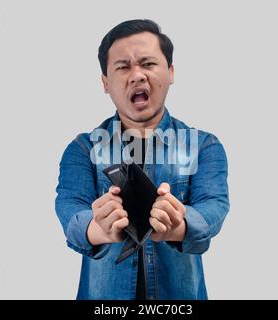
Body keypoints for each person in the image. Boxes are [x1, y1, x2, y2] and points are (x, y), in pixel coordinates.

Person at [55, 19, 230, 300]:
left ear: (170, 72)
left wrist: (180, 226)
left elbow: (215, 205)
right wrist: (97, 228)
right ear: (105, 82)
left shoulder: (204, 145)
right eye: (123, 67)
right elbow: (69, 207)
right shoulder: (82, 149)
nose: (137, 75)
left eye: (148, 64)